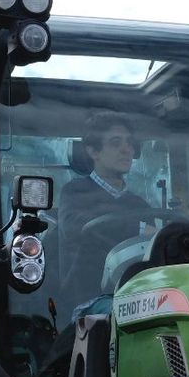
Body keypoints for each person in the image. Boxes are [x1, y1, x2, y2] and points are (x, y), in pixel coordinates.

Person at [59, 112, 154, 291]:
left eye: (129, 143)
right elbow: (73, 227)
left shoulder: (140, 205)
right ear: (93, 151)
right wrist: (137, 229)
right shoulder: (74, 193)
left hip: (136, 294)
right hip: (86, 297)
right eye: (116, 143)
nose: (127, 150)